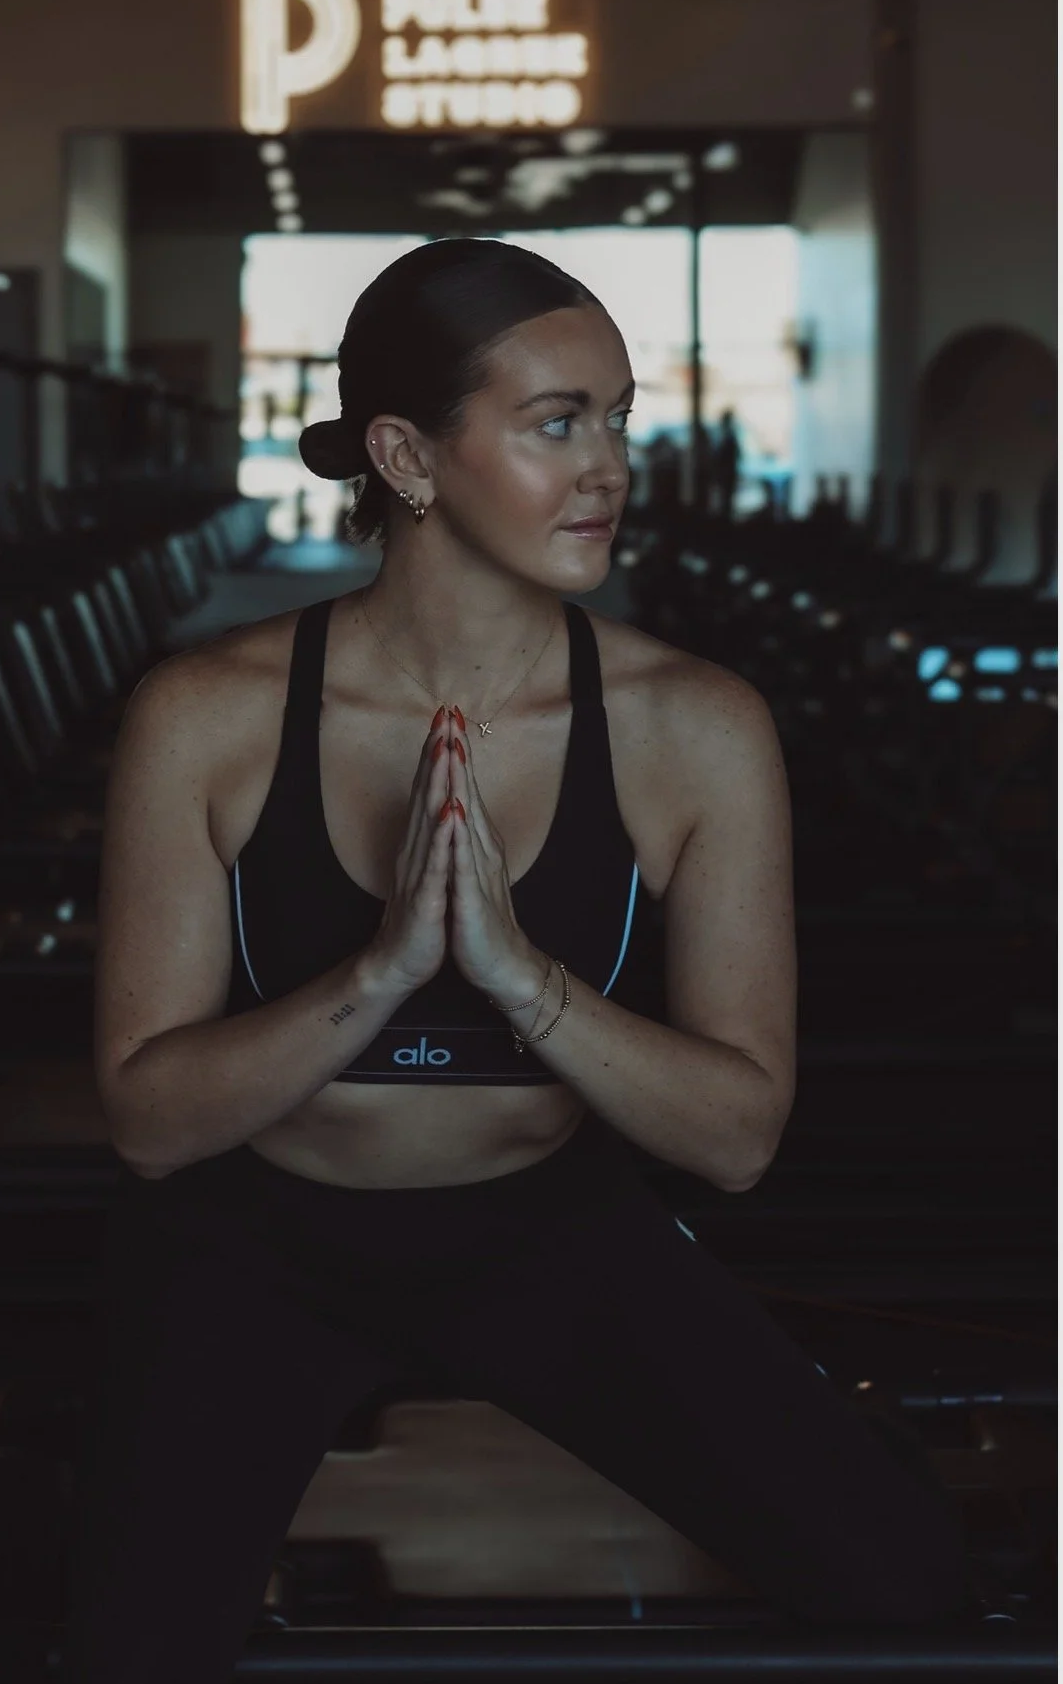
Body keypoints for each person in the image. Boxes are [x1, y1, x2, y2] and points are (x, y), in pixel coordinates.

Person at [63, 238, 975, 1680]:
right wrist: (377, 971)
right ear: (405, 458)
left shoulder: (695, 726)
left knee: (902, 1581)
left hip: (547, 1231)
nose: (608, 463)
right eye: (557, 423)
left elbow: (735, 1138)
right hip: (257, 1245)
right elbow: (150, 1122)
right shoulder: (209, 715)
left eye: (618, 417)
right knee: (116, 1640)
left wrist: (516, 977)